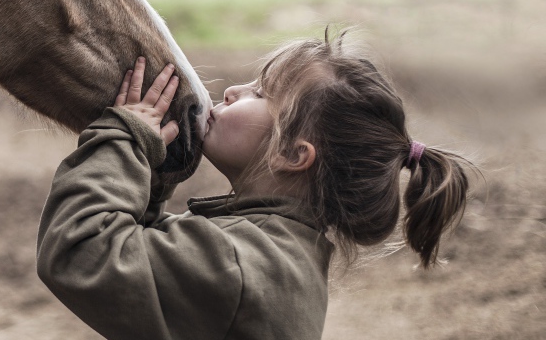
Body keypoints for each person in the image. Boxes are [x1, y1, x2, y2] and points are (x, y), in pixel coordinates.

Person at [37, 31, 474, 340]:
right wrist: (153, 169)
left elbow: (80, 249)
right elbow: (149, 254)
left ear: (292, 154)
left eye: (261, 93)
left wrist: (124, 141)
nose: (232, 91)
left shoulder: (239, 266)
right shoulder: (273, 254)